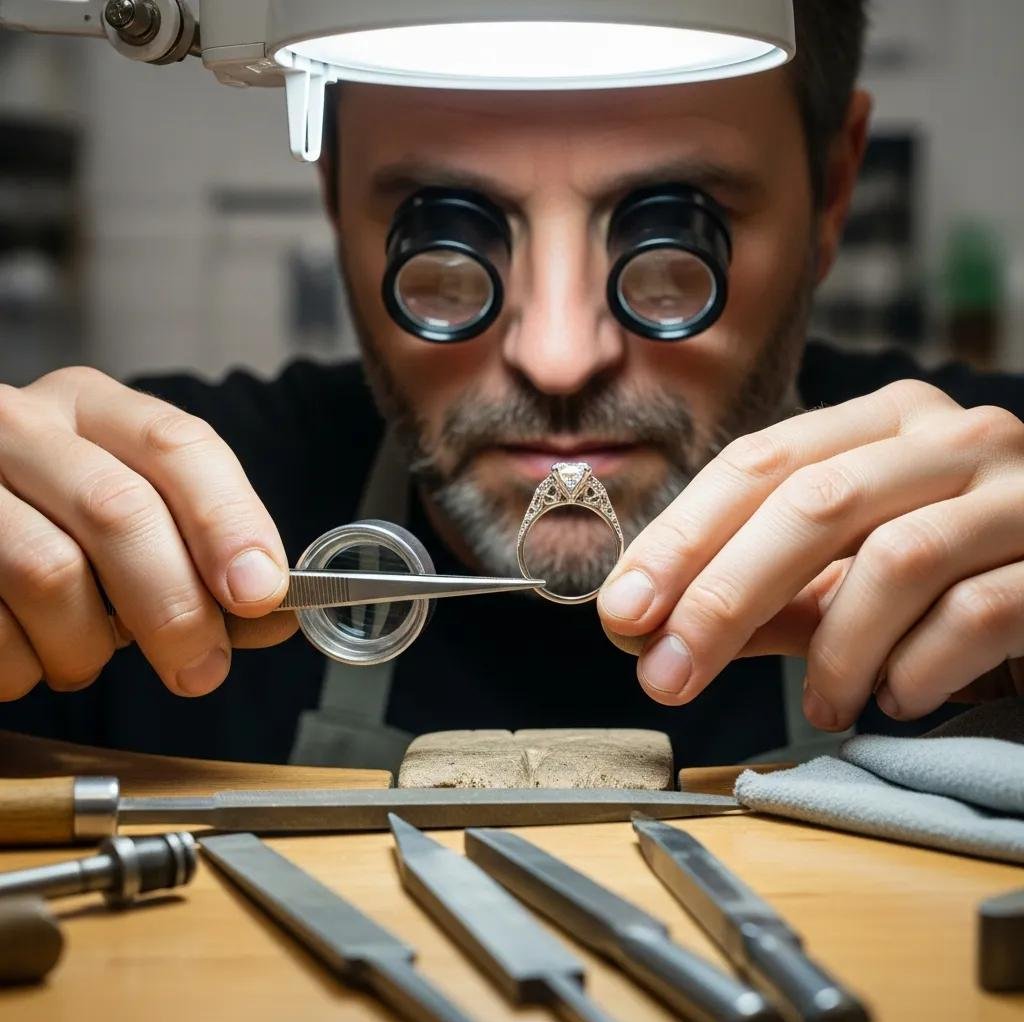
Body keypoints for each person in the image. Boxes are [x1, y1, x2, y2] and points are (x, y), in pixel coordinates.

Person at [0, 0, 1021, 770]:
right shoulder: (123, 536)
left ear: (832, 192)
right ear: (335, 199)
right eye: (446, 239)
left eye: (673, 242)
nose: (560, 357)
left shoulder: (992, 507)